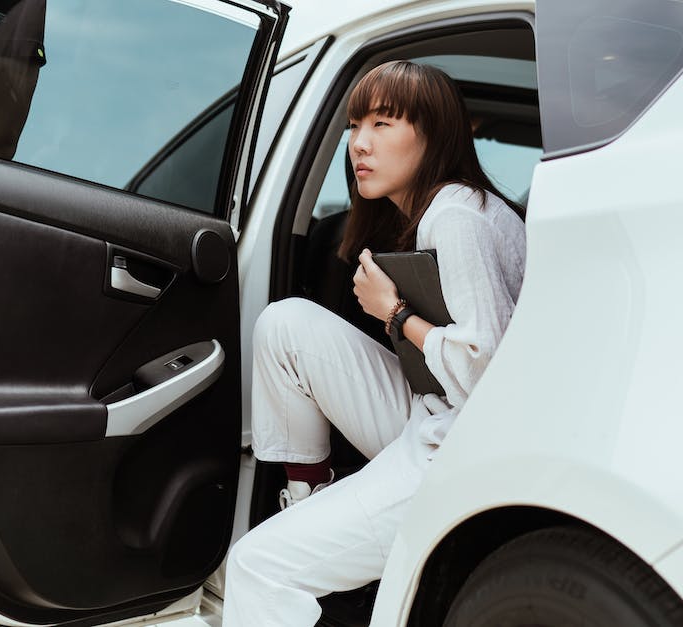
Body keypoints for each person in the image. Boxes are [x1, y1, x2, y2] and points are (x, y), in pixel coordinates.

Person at [222, 60, 528, 625]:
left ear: (433, 134)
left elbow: (488, 372)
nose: (359, 144)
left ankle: (316, 536)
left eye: (383, 125)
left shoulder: (457, 216)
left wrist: (395, 312)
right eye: (354, 125)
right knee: (285, 323)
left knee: (256, 566)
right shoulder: (449, 208)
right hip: (433, 415)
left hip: (460, 446)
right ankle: (311, 503)